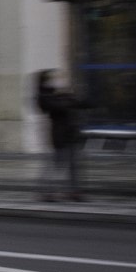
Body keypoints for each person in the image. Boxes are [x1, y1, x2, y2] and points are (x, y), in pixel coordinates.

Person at [35, 69, 90, 201]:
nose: (57, 81)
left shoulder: (62, 96)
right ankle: (47, 191)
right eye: (51, 79)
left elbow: (82, 103)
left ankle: (74, 191)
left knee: (74, 165)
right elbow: (56, 107)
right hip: (60, 135)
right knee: (56, 164)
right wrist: (67, 98)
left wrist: (70, 98)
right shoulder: (46, 96)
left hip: (72, 133)